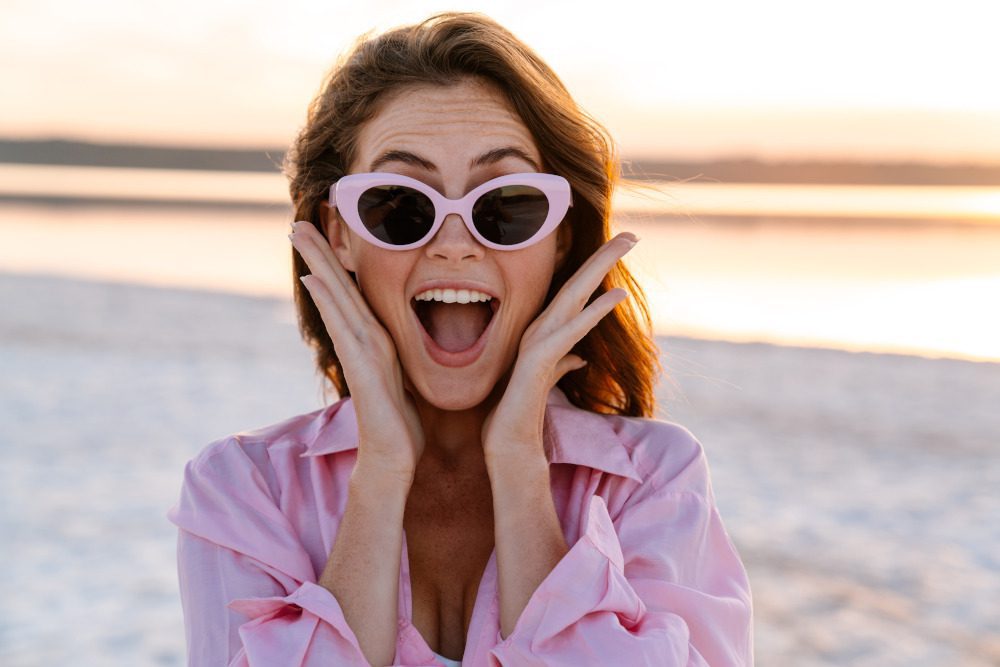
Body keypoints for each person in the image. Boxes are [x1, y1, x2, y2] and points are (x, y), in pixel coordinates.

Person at [168, 12, 753, 667]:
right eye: (399, 206)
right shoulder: (243, 489)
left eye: (506, 206)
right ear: (340, 235)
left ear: (560, 236)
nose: (453, 245)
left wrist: (521, 469)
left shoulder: (653, 483)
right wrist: (381, 470)